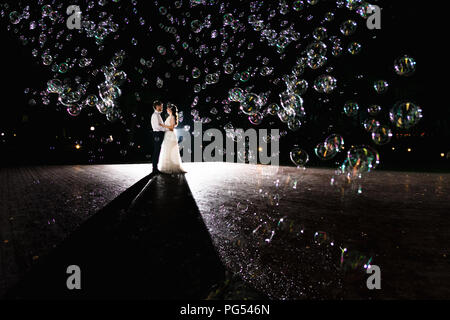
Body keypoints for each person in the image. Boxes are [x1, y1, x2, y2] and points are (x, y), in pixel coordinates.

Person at [158, 103, 186, 174]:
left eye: (168, 108)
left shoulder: (172, 117)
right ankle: (167, 166)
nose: (166, 109)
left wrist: (163, 125)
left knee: (170, 151)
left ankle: (171, 167)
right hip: (167, 135)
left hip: (170, 135)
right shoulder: (169, 116)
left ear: (170, 109)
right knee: (167, 150)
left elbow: (171, 128)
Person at [150, 100, 166, 174]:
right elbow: (157, 126)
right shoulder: (155, 115)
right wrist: (165, 129)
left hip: (159, 134)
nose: (162, 107)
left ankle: (155, 168)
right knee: (156, 151)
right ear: (157, 106)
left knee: (158, 150)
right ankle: (154, 169)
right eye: (161, 106)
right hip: (157, 134)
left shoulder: (158, 115)